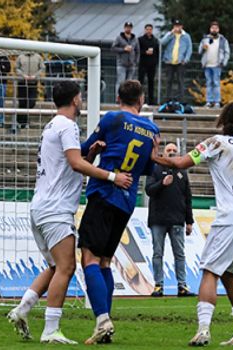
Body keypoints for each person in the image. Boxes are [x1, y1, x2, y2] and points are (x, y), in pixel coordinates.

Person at [6, 81, 132, 344]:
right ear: (76, 100)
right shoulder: (68, 126)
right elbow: (75, 164)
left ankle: (22, 309)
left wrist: (90, 151)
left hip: (40, 206)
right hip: (55, 210)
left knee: (54, 266)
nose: (82, 100)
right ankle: (51, 330)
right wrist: (112, 177)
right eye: (81, 97)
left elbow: (69, 163)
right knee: (67, 266)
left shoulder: (52, 125)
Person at [154, 102, 233, 346]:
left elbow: (179, 163)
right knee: (230, 274)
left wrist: (153, 156)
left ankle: (203, 329)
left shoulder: (215, 142)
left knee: (210, 270)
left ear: (223, 119)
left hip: (230, 218)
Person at [78, 80, 160, 344]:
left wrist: (94, 151)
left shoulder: (112, 118)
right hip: (127, 200)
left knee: (89, 258)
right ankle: (105, 324)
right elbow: (148, 169)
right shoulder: (152, 129)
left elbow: (83, 151)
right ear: (141, 100)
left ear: (117, 97)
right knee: (105, 262)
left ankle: (102, 319)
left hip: (104, 193)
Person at [145, 142, 194, 297]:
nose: (172, 152)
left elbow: (188, 198)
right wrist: (162, 183)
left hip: (177, 219)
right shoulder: (155, 169)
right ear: (163, 153)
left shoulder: (182, 172)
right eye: (169, 150)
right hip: (158, 219)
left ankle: (182, 285)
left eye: (174, 150)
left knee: (179, 254)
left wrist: (189, 221)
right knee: (157, 253)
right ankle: (158, 285)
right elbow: (149, 190)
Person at [160, 20, 193, 103]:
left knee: (180, 81)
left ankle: (181, 100)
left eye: (178, 26)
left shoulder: (186, 36)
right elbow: (162, 42)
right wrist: (170, 34)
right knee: (168, 81)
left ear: (182, 27)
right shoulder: (170, 35)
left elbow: (189, 49)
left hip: (180, 62)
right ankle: (167, 99)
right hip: (169, 62)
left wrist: (186, 60)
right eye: (175, 26)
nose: (177, 28)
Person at [199, 21, 230, 108]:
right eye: (212, 28)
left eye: (216, 28)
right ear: (210, 29)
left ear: (218, 29)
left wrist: (224, 62)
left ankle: (217, 102)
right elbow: (199, 51)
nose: (214, 30)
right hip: (207, 65)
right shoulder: (205, 39)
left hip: (217, 65)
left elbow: (227, 52)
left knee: (216, 83)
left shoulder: (223, 40)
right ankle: (209, 101)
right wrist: (202, 47)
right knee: (208, 83)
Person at [16, 52, 44, 128]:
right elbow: (17, 68)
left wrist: (35, 75)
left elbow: (42, 68)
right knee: (22, 102)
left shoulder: (38, 57)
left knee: (31, 102)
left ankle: (24, 121)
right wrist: (23, 75)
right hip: (22, 82)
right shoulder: (20, 56)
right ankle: (21, 122)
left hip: (33, 82)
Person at [112, 22, 140, 95]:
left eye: (130, 27)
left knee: (129, 84)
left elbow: (137, 51)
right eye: (127, 27)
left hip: (131, 64)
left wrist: (136, 62)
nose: (128, 28)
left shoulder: (135, 39)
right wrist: (124, 49)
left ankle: (127, 98)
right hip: (121, 64)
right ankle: (118, 97)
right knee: (121, 82)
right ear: (124, 28)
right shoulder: (119, 37)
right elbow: (113, 48)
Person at [138, 24, 160, 103]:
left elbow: (157, 52)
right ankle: (139, 99)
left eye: (150, 29)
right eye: (147, 29)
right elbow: (138, 51)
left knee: (151, 82)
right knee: (140, 82)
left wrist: (156, 62)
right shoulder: (140, 40)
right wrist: (145, 52)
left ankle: (151, 100)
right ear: (145, 30)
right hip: (143, 63)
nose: (149, 31)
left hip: (152, 64)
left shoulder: (155, 40)